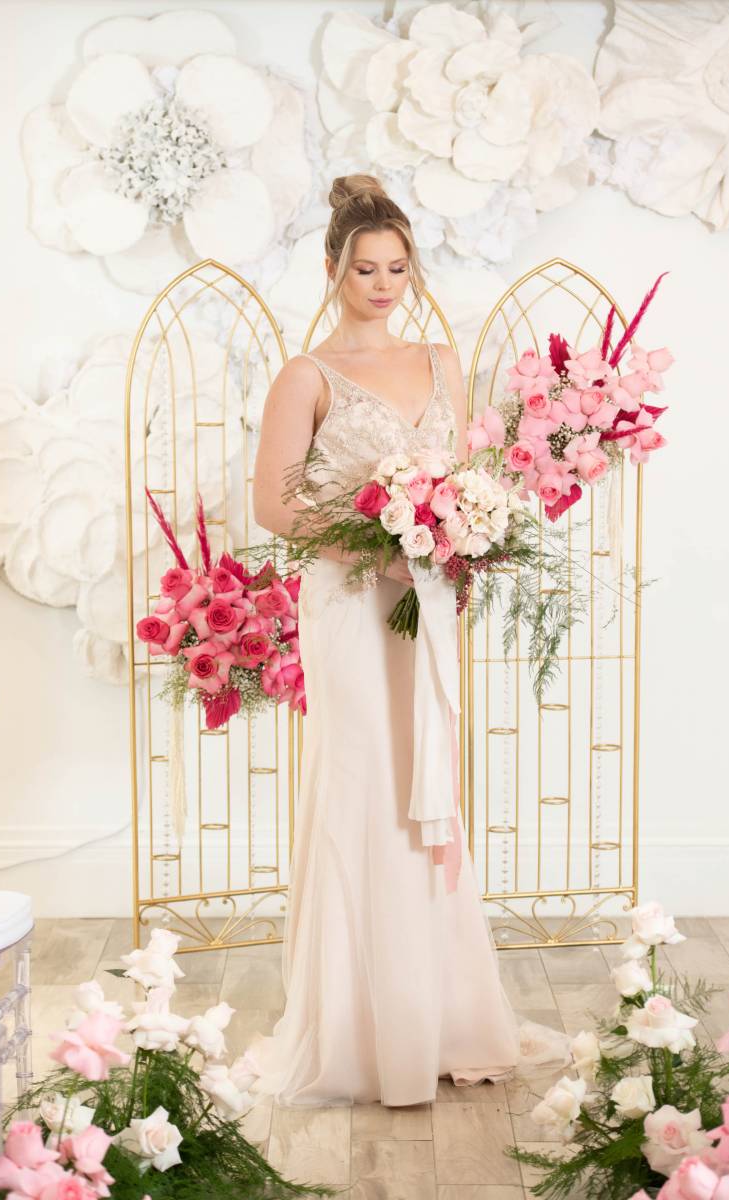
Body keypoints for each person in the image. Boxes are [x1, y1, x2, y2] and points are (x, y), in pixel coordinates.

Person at [245, 174, 566, 1108]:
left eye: (397, 267)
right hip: (351, 603)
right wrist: (372, 546)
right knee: (364, 778)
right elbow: (273, 501)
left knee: (431, 779)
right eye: (364, 268)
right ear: (333, 270)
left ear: (411, 270)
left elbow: (464, 476)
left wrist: (453, 531)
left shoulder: (440, 359)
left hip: (428, 598)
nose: (382, 284)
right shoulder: (305, 375)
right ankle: (356, 1033)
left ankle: (441, 1016)